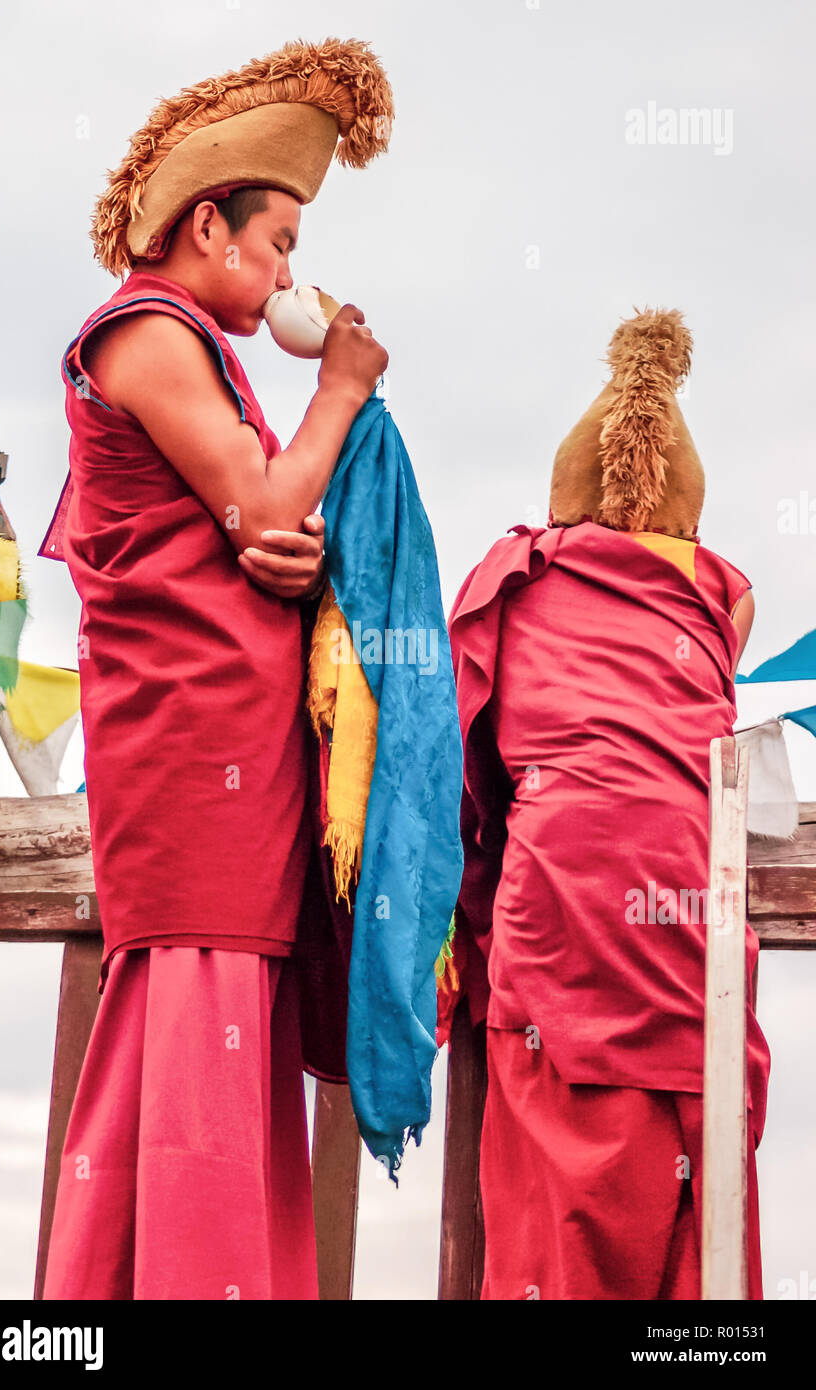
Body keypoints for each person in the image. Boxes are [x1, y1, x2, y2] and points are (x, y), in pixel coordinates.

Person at [39, 37, 392, 1300]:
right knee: (191, 1046)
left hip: (236, 773)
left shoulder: (202, 345)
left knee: (225, 1045)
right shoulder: (145, 332)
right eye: (281, 238)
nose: (290, 268)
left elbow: (275, 533)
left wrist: (280, 527)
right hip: (193, 765)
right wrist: (339, 392)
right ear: (209, 224)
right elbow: (262, 520)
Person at [441, 308, 771, 1301]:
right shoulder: (721, 596)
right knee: (695, 1230)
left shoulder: (516, 579)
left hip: (558, 923)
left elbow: (471, 766)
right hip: (689, 932)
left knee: (553, 1228)